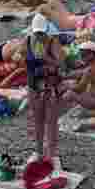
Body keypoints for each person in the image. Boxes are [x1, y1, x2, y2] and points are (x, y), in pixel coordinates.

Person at [26, 14, 65, 169]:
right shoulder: (28, 41)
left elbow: (62, 63)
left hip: (50, 86)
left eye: (41, 33)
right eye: (37, 33)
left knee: (51, 121)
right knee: (37, 120)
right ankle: (39, 152)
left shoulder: (53, 42)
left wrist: (46, 59)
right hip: (34, 85)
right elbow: (21, 58)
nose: (39, 36)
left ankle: (52, 154)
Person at [61, 42, 95, 111]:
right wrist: (66, 76)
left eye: (83, 55)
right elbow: (82, 73)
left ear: (91, 54)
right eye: (81, 55)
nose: (81, 57)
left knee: (69, 94)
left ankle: (65, 111)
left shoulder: (90, 69)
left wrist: (66, 86)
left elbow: (79, 89)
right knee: (76, 83)